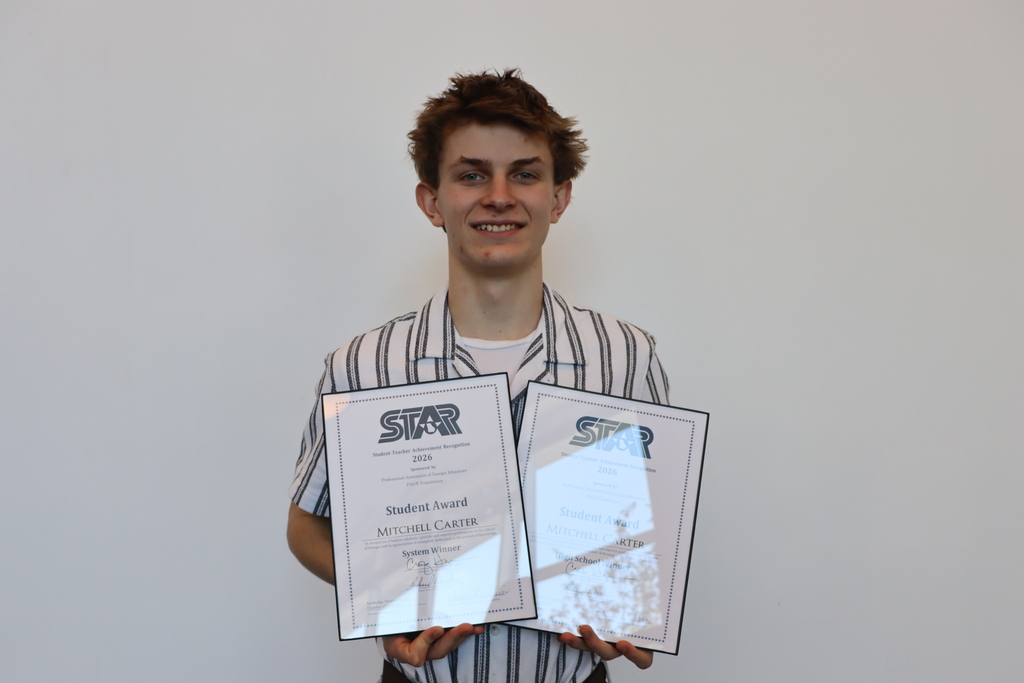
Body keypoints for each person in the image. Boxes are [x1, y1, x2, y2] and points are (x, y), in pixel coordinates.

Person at [287, 69, 670, 683]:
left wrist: (631, 605)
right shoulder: (361, 366)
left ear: (559, 196)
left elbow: (640, 525)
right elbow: (306, 524)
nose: (499, 195)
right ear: (432, 200)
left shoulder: (625, 356)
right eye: (471, 175)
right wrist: (386, 603)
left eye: (525, 173)